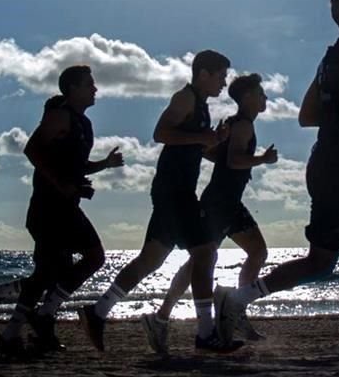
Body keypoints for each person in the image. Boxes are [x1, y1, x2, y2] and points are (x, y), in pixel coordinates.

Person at [217, 0, 339, 355]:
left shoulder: (329, 59)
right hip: (337, 172)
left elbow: (307, 117)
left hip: (327, 167)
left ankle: (238, 300)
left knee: (320, 261)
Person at [79, 50, 239, 353]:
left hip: (174, 192)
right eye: (220, 75)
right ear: (203, 74)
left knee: (150, 261)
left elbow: (192, 144)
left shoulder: (201, 105)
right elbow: (161, 133)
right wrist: (203, 137)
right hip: (174, 192)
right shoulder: (186, 98)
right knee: (205, 253)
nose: (224, 82)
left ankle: (97, 312)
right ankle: (205, 333)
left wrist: (214, 140)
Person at [0, 66, 123, 359]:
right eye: (89, 84)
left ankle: (12, 331)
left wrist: (104, 165)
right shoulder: (59, 115)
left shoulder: (84, 124)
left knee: (48, 274)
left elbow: (76, 165)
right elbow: (32, 150)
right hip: (48, 209)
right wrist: (61, 184)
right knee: (94, 256)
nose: (95, 89)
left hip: (65, 206)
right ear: (72, 88)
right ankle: (43, 315)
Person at [142, 73, 278, 355]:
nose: (265, 98)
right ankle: (167, 316)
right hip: (219, 204)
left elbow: (212, 154)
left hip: (229, 202)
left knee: (255, 252)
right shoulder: (241, 125)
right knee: (201, 260)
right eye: (261, 94)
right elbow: (234, 159)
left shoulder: (236, 124)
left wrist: (217, 145)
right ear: (249, 97)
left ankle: (234, 310)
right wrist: (262, 159)